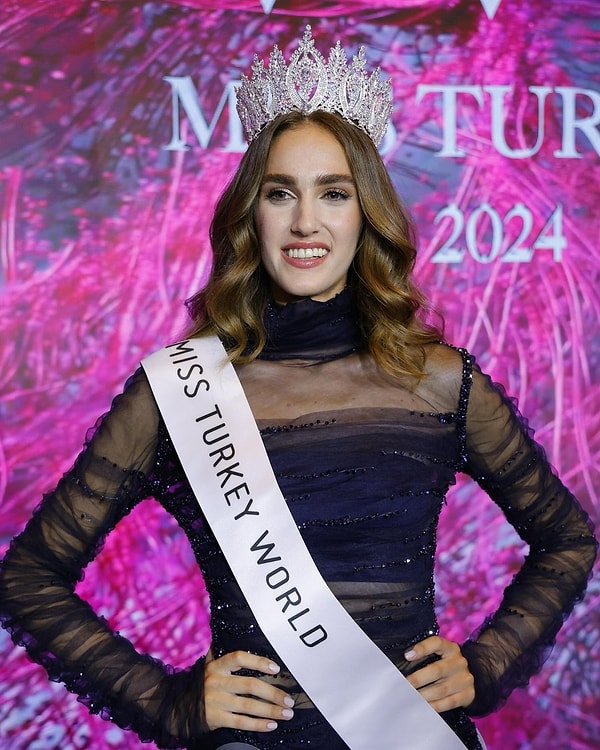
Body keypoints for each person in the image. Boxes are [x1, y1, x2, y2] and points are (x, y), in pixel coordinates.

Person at [0, 26, 596, 750]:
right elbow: (28, 577)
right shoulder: (178, 392)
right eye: (280, 193)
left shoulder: (438, 381)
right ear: (251, 213)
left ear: (365, 213)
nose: (305, 222)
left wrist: (488, 663)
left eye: (333, 194)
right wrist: (167, 700)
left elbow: (567, 540)